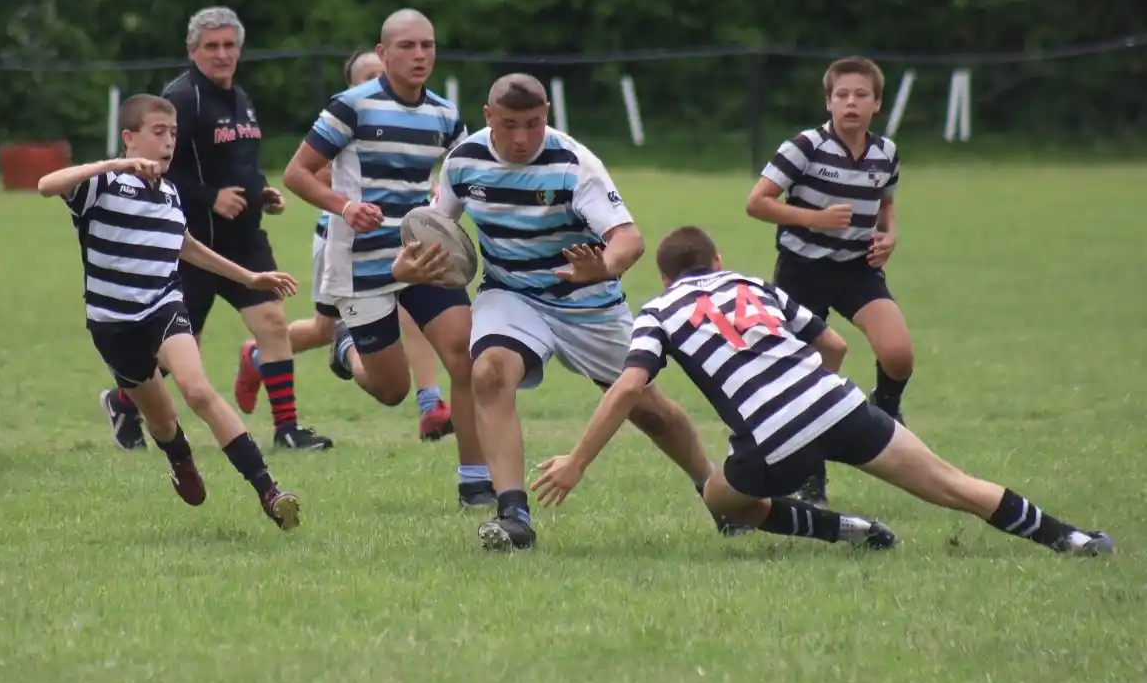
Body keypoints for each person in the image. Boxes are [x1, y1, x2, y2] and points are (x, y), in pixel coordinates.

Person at [533, 225, 1115, 558]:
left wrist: (577, 462)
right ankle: (1073, 539)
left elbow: (630, 385)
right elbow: (834, 347)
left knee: (720, 499)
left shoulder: (659, 310)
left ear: (664, 278)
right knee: (952, 485)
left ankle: (848, 530)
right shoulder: (752, 284)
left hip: (771, 436)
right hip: (837, 402)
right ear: (717, 260)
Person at [408, 74, 738, 551]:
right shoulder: (463, 162)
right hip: (512, 294)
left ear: (547, 116)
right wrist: (412, 260)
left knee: (652, 414)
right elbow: (435, 228)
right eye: (509, 124)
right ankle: (514, 513)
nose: (522, 138)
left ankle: (715, 491)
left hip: (588, 306)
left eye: (534, 124)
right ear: (487, 117)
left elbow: (629, 240)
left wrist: (601, 267)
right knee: (490, 374)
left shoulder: (574, 163)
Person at [40, 94, 303, 530]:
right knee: (162, 421)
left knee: (198, 390)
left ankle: (270, 491)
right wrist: (113, 165)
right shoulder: (102, 185)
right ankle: (180, 458)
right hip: (112, 324)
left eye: (173, 133)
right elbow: (46, 185)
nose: (168, 141)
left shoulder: (168, 190)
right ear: (129, 137)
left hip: (163, 306)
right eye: (158, 132)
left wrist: (250, 278)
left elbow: (185, 245)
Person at [283, 9, 491, 508]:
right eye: (407, 46)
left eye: (427, 46)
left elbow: (463, 176)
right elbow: (297, 173)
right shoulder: (350, 108)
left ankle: (475, 482)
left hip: (424, 255)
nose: (419, 56)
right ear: (382, 53)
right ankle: (344, 346)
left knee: (465, 357)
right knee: (391, 389)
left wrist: (447, 188)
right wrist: (346, 206)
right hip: (362, 263)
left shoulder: (445, 115)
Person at [100, 8, 332, 454]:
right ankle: (123, 401)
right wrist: (211, 197)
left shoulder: (240, 97)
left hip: (244, 239)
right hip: (192, 244)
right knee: (178, 353)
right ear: (192, 51)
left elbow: (240, 163)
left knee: (273, 323)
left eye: (229, 45)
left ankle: (287, 430)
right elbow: (157, 167)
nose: (222, 54)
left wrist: (261, 191)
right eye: (211, 46)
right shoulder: (182, 99)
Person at [237, 48, 453, 443]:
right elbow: (309, 173)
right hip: (343, 243)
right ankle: (258, 356)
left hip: (399, 241)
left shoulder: (418, 116)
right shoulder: (345, 122)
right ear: (353, 86)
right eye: (368, 75)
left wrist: (429, 190)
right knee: (324, 329)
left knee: (413, 307)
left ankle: (430, 403)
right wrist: (351, 201)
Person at [744, 56, 911, 507]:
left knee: (898, 354)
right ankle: (810, 480)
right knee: (809, 376)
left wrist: (889, 236)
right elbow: (757, 203)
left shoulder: (885, 152)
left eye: (861, 95)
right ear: (828, 100)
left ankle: (887, 410)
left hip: (857, 269)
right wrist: (814, 218)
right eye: (842, 95)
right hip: (803, 272)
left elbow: (886, 204)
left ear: (877, 103)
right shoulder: (803, 146)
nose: (851, 103)